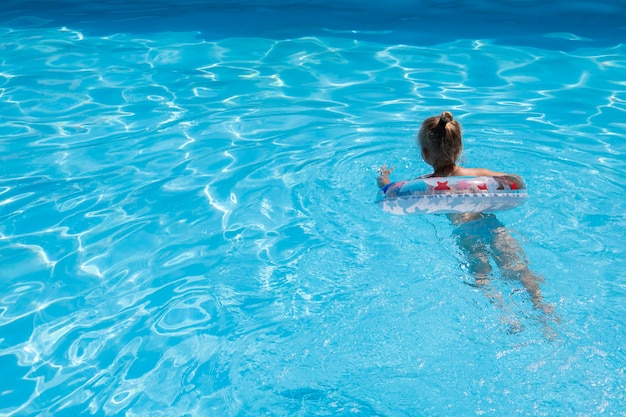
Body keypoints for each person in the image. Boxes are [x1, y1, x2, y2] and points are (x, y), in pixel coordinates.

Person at [378, 111, 554, 320]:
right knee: (516, 267)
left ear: (425, 154)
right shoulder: (477, 174)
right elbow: (511, 180)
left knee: (481, 274)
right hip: (492, 225)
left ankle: (506, 315)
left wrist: (384, 176)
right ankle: (541, 305)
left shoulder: (425, 183)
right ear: (460, 148)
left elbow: (389, 190)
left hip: (466, 232)